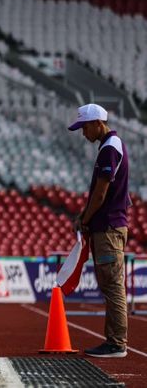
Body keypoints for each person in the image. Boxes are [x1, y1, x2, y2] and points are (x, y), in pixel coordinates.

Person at [69, 103, 130, 358]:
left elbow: (101, 193)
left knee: (113, 286)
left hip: (107, 228)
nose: (83, 133)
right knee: (111, 285)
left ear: (97, 123)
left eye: (84, 127)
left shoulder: (109, 149)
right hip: (109, 226)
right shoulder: (110, 146)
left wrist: (85, 216)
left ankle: (116, 343)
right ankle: (115, 341)